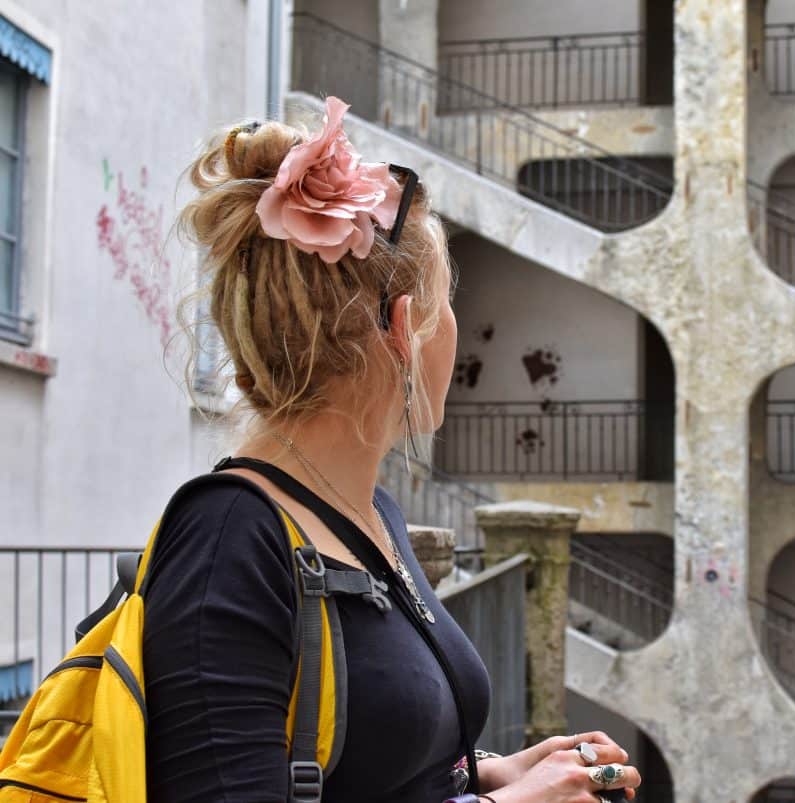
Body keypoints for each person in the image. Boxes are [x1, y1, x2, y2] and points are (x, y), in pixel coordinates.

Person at [144, 95, 643, 803]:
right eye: (446, 307)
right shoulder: (229, 541)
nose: (453, 329)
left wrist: (496, 772)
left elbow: (376, 766)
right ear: (405, 327)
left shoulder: (370, 512)